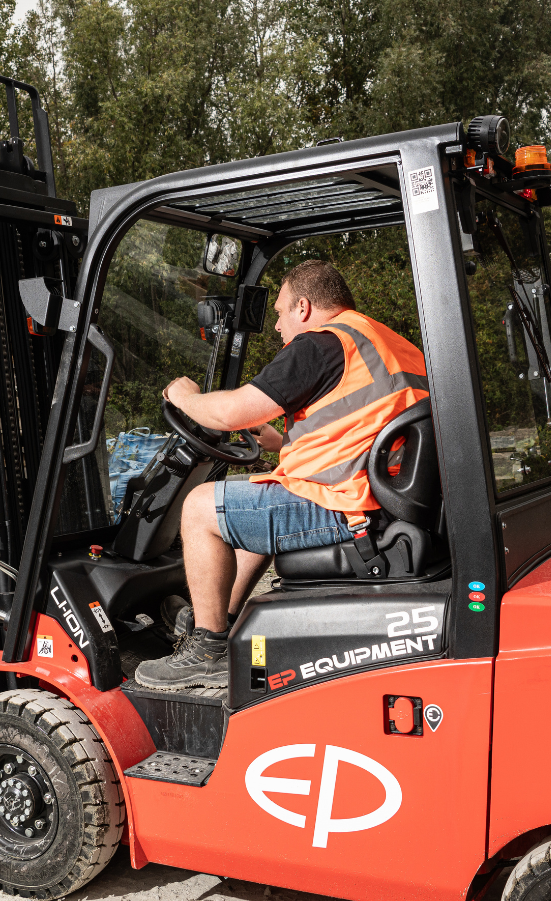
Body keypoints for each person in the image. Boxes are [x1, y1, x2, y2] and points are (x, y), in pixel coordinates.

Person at [134, 259, 428, 690]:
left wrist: (185, 398)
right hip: (379, 498)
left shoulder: (319, 345)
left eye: (279, 311)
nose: (276, 326)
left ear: (304, 307)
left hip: (344, 508)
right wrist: (278, 441)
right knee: (261, 490)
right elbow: (363, 429)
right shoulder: (385, 342)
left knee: (200, 507)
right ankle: (220, 624)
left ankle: (207, 651)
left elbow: (229, 412)